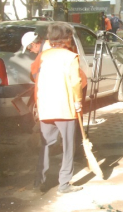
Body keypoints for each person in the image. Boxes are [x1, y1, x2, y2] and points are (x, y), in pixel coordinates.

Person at [33, 23, 84, 194]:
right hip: (65, 108)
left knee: (46, 145)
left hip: (46, 107)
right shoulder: (71, 57)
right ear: (67, 38)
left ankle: (39, 181)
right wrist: (78, 101)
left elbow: (34, 76)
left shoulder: (43, 56)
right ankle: (64, 184)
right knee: (68, 146)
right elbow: (76, 82)